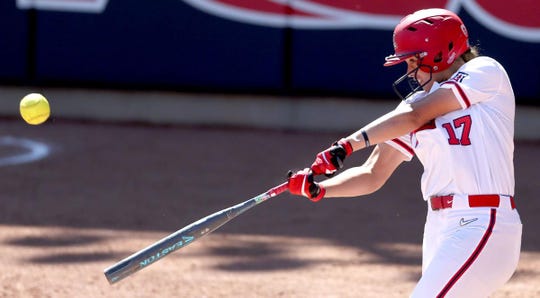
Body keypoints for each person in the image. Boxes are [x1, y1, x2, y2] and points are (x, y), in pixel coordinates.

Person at [287, 8, 522, 298]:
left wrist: (347, 145)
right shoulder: (416, 102)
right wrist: (320, 189)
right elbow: (372, 173)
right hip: (439, 227)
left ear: (441, 52)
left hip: (483, 222)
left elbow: (415, 116)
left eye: (414, 60)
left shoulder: (484, 71)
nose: (410, 70)